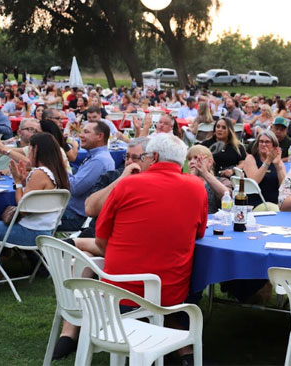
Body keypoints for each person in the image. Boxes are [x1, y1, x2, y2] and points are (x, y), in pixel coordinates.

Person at [95, 133, 206, 363]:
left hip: (121, 296)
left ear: (154, 156)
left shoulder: (127, 184)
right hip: (171, 295)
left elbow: (101, 237)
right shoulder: (197, 187)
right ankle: (182, 347)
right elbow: (199, 234)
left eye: (144, 156)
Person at [0, 133, 69, 246]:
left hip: (30, 232)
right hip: (48, 230)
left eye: (29, 149)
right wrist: (24, 181)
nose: (28, 154)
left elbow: (23, 208)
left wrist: (18, 182)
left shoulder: (40, 173)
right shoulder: (58, 172)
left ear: (36, 150)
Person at [59, 121, 115, 231]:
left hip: (76, 217)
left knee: (35, 216)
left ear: (100, 136)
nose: (81, 135)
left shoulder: (99, 161)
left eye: (86, 132)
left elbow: (74, 188)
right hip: (74, 212)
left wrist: (60, 167)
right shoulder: (97, 157)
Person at [242, 130, 286, 207]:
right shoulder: (251, 159)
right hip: (256, 204)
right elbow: (254, 182)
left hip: (275, 203)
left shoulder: (278, 161)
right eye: (261, 141)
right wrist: (267, 161)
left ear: (274, 145)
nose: (263, 144)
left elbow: (284, 186)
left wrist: (278, 166)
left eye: (267, 142)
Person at [201, 118, 247, 186]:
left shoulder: (238, 147)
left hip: (231, 180)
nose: (220, 129)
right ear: (214, 129)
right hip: (210, 178)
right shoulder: (206, 145)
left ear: (229, 130)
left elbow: (243, 163)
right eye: (218, 126)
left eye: (224, 128)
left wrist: (232, 170)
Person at [186, 145, 231, 213]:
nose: (191, 162)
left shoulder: (222, 181)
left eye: (196, 158)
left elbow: (227, 195)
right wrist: (192, 178)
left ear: (210, 162)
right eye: (189, 159)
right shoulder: (183, 181)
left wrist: (205, 173)